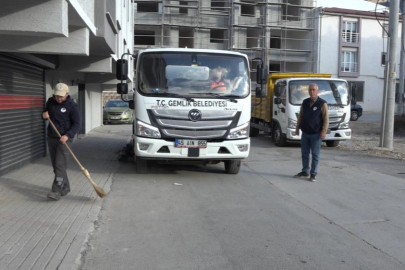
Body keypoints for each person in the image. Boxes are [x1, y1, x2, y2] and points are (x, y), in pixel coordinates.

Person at [42, 83, 80, 200]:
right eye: (57, 96)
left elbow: (77, 124)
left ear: (67, 94)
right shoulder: (50, 102)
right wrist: (43, 115)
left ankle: (56, 191)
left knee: (59, 165)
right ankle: (66, 187)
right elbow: (45, 113)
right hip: (52, 137)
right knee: (57, 167)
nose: (59, 98)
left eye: (61, 96)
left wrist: (67, 135)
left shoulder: (72, 106)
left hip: (64, 140)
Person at [294, 83, 329, 182]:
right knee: (304, 153)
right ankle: (305, 171)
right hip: (305, 133)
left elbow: (326, 119)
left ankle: (313, 174)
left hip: (316, 134)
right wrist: (297, 128)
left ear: (317, 91)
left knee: (315, 155)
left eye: (313, 90)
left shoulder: (322, 103)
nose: (312, 92)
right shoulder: (305, 102)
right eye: (310, 90)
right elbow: (300, 116)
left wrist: (323, 131)